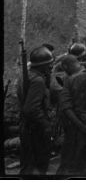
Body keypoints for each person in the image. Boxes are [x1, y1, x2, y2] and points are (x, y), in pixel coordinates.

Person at [17, 45, 55, 175]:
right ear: (42, 65)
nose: (51, 67)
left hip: (27, 127)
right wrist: (46, 125)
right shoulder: (38, 80)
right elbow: (31, 109)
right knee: (39, 166)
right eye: (49, 64)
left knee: (27, 164)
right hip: (36, 129)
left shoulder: (26, 76)